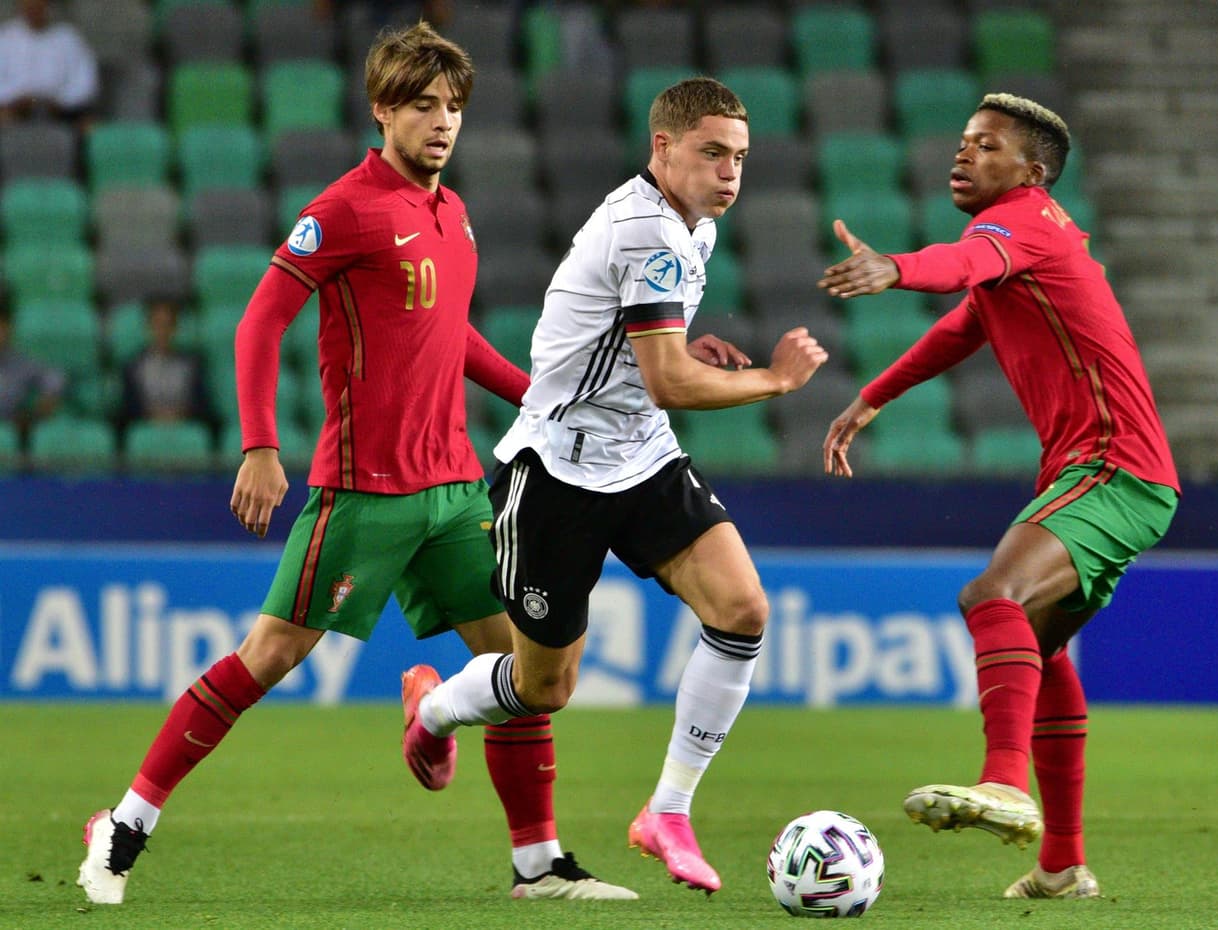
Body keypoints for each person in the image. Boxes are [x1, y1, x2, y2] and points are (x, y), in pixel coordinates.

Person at [78, 21, 634, 907]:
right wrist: (261, 443)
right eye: (422, 106)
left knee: (528, 674)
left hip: (454, 489)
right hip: (362, 491)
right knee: (267, 658)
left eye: (452, 106)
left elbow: (452, 339)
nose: (441, 122)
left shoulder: (452, 215)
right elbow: (258, 322)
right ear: (382, 110)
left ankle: (538, 865)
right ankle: (124, 823)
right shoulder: (341, 209)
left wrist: (546, 395)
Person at [399, 76, 829, 895]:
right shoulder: (649, 232)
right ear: (661, 148)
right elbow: (667, 380)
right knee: (543, 687)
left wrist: (688, 348)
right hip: (556, 469)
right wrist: (775, 380)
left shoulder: (688, 226)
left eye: (738, 157)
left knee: (743, 609)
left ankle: (667, 809)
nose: (730, 173)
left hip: (640, 456)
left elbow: (645, 358)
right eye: (711, 153)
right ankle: (431, 709)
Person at [818, 93, 1180, 900]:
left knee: (992, 594)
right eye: (963, 141)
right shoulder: (1023, 240)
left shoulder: (1018, 221)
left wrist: (897, 268)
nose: (963, 154)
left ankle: (1004, 784)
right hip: (1109, 471)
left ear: (1032, 171)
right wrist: (872, 397)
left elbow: (962, 265)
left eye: (986, 145)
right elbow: (968, 320)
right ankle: (1061, 867)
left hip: (1112, 463)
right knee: (1038, 649)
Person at [119, 298, 214, 431]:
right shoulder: (133, 366)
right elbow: (128, 409)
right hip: (146, 429)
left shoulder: (192, 365)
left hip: (184, 428)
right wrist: (153, 415)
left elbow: (202, 406)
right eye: (158, 324)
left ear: (175, 328)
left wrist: (179, 414)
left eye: (168, 325)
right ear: (148, 326)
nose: (162, 331)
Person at [0, 0, 98, 126]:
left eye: (39, 6)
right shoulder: (5, 38)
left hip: (61, 111)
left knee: (89, 125)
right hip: (14, 110)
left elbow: (86, 84)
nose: (34, 10)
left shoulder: (68, 38)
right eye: (29, 6)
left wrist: (60, 102)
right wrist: (17, 99)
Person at [0, 300, 65, 443]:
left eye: (1, 327)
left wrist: (49, 395)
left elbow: (54, 376)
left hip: (12, 428)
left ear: (8, 329)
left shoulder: (20, 363)